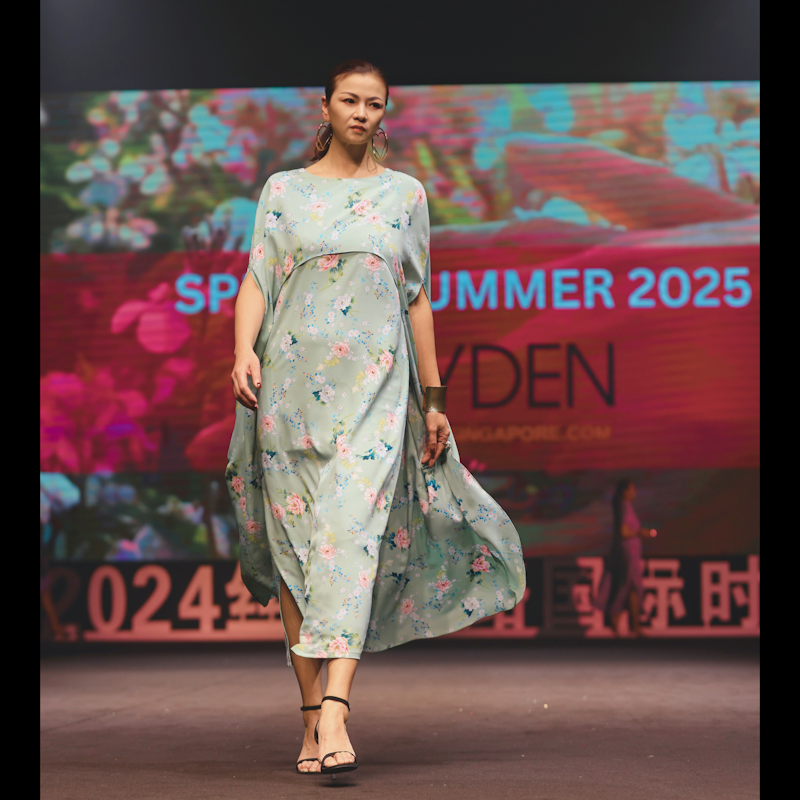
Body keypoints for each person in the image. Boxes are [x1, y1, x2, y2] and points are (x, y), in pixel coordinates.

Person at [226, 59, 526, 775]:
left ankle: (336, 709)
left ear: (385, 114)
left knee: (349, 537)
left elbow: (417, 299)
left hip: (375, 395)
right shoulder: (284, 191)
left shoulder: (404, 195)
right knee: (297, 553)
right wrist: (240, 350)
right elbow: (257, 278)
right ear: (325, 108)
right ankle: (311, 721)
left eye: (375, 104)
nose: (362, 113)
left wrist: (435, 399)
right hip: (289, 398)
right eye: (350, 101)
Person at [595, 478, 654, 637]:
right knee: (626, 585)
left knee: (632, 588)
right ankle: (614, 615)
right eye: (632, 489)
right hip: (628, 554)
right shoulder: (624, 506)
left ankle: (634, 624)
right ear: (624, 491)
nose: (635, 492)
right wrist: (640, 533)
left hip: (630, 553)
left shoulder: (624, 506)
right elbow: (624, 532)